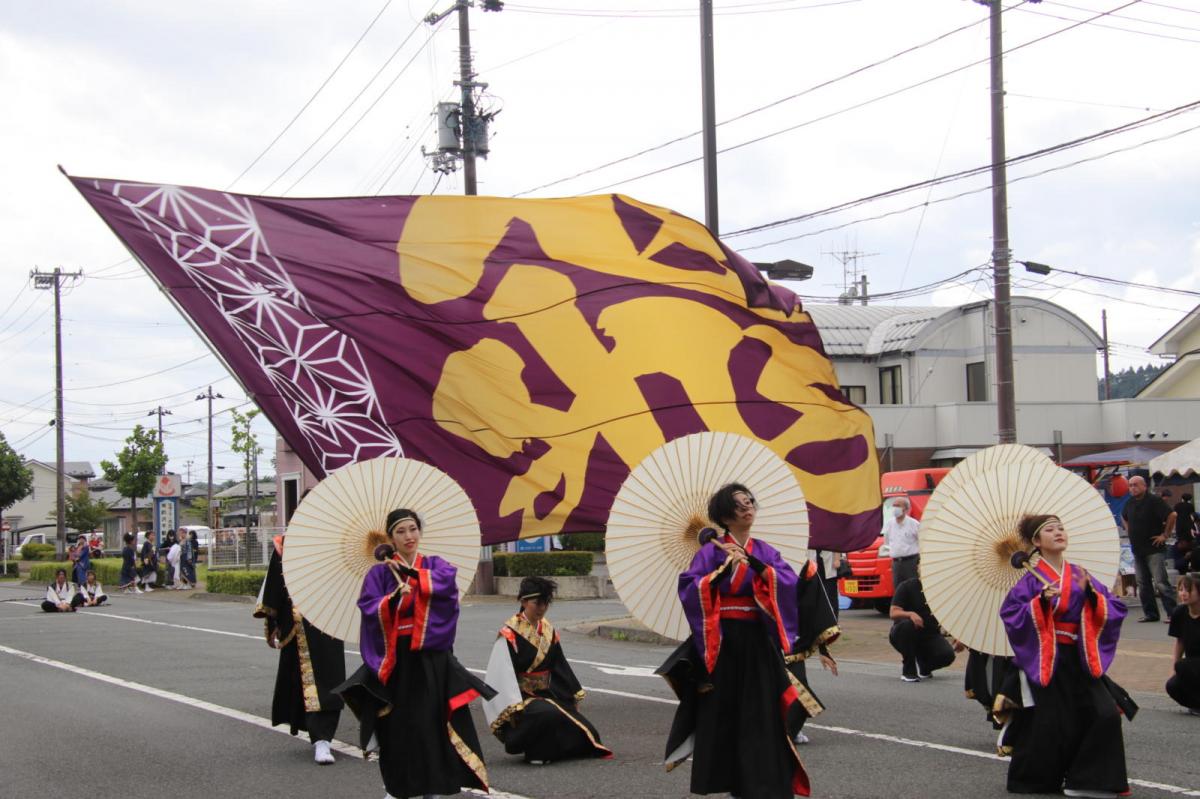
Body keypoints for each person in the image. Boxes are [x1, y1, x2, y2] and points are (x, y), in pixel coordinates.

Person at [658, 483, 810, 798]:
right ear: (726, 515)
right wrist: (723, 572)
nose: (748, 508)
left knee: (762, 712)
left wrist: (754, 565)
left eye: (750, 502)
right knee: (724, 712)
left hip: (756, 642)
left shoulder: (764, 551)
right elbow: (690, 587)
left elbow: (787, 583)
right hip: (723, 641)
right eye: (740, 505)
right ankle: (727, 778)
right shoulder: (711, 552)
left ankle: (763, 781)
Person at [336, 508, 494, 799]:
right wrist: (393, 599)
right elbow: (369, 608)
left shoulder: (434, 565)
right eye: (401, 531)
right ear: (391, 539)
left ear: (420, 531)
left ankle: (432, 785)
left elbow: (446, 587)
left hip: (430, 658)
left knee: (431, 723)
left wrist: (415, 580)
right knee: (398, 725)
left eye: (412, 529)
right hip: (397, 660)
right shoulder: (379, 573)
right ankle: (398, 787)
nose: (409, 536)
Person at [999, 514, 1132, 797]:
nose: (1059, 532)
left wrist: (1091, 597)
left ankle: (1090, 780)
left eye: (1061, 528)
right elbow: (1011, 615)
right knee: (1051, 722)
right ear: (1036, 542)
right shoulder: (1030, 582)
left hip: (1080, 655)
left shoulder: (1079, 574)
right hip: (1047, 656)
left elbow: (1114, 608)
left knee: (1104, 713)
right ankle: (1038, 780)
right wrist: (1040, 603)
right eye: (1050, 530)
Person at [483, 576, 612, 764]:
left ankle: (554, 750)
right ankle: (535, 751)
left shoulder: (548, 630)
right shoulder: (509, 633)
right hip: (520, 698)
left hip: (546, 693)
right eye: (537, 603)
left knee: (588, 732)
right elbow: (501, 674)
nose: (542, 608)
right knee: (546, 713)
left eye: (546, 603)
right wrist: (512, 706)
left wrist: (573, 692)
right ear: (524, 602)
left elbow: (559, 664)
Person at [253, 534, 345, 765]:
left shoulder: (342, 544)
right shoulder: (286, 545)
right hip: (298, 623)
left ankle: (324, 737)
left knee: (331, 679)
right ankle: (317, 737)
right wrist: (273, 622)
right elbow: (276, 582)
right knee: (302, 680)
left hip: (330, 620)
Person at [785, 553, 841, 745]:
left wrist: (823, 649)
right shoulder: (747, 560)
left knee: (799, 692)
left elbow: (816, 608)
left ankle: (790, 729)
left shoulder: (805, 566)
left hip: (793, 638)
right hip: (759, 637)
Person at [1121, 475, 1177, 622]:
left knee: (1160, 582)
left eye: (1136, 485)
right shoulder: (1130, 503)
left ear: (1144, 486)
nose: (1132, 488)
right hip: (1138, 549)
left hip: (1154, 548)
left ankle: (1173, 614)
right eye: (1130, 485)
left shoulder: (1154, 501)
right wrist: (1129, 529)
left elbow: (1172, 515)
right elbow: (1123, 516)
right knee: (1143, 583)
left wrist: (1165, 535)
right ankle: (1151, 614)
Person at [888, 577, 961, 682]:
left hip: (930, 635)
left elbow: (950, 615)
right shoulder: (906, 586)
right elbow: (893, 613)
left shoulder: (941, 589)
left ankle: (924, 666)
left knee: (948, 655)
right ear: (918, 568)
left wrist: (958, 635)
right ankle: (908, 670)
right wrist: (910, 614)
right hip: (904, 634)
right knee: (908, 625)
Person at [1166, 573, 1200, 714]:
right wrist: (1175, 666)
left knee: (1183, 666)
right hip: (1192, 663)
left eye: (1188, 590)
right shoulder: (1179, 612)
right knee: (1172, 685)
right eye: (1181, 590)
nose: (1183, 594)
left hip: (1194, 664)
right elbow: (1179, 641)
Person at [882, 496, 921, 588]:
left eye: (898, 505)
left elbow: (922, 542)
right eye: (894, 505)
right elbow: (887, 542)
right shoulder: (889, 524)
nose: (895, 508)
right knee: (898, 590)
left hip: (911, 562)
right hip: (896, 564)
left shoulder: (914, 524)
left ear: (906, 509)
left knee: (913, 588)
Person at [1171, 492, 1197, 575]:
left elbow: (1174, 514)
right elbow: (1191, 515)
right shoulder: (1190, 506)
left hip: (1180, 525)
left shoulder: (1177, 505)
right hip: (1188, 525)